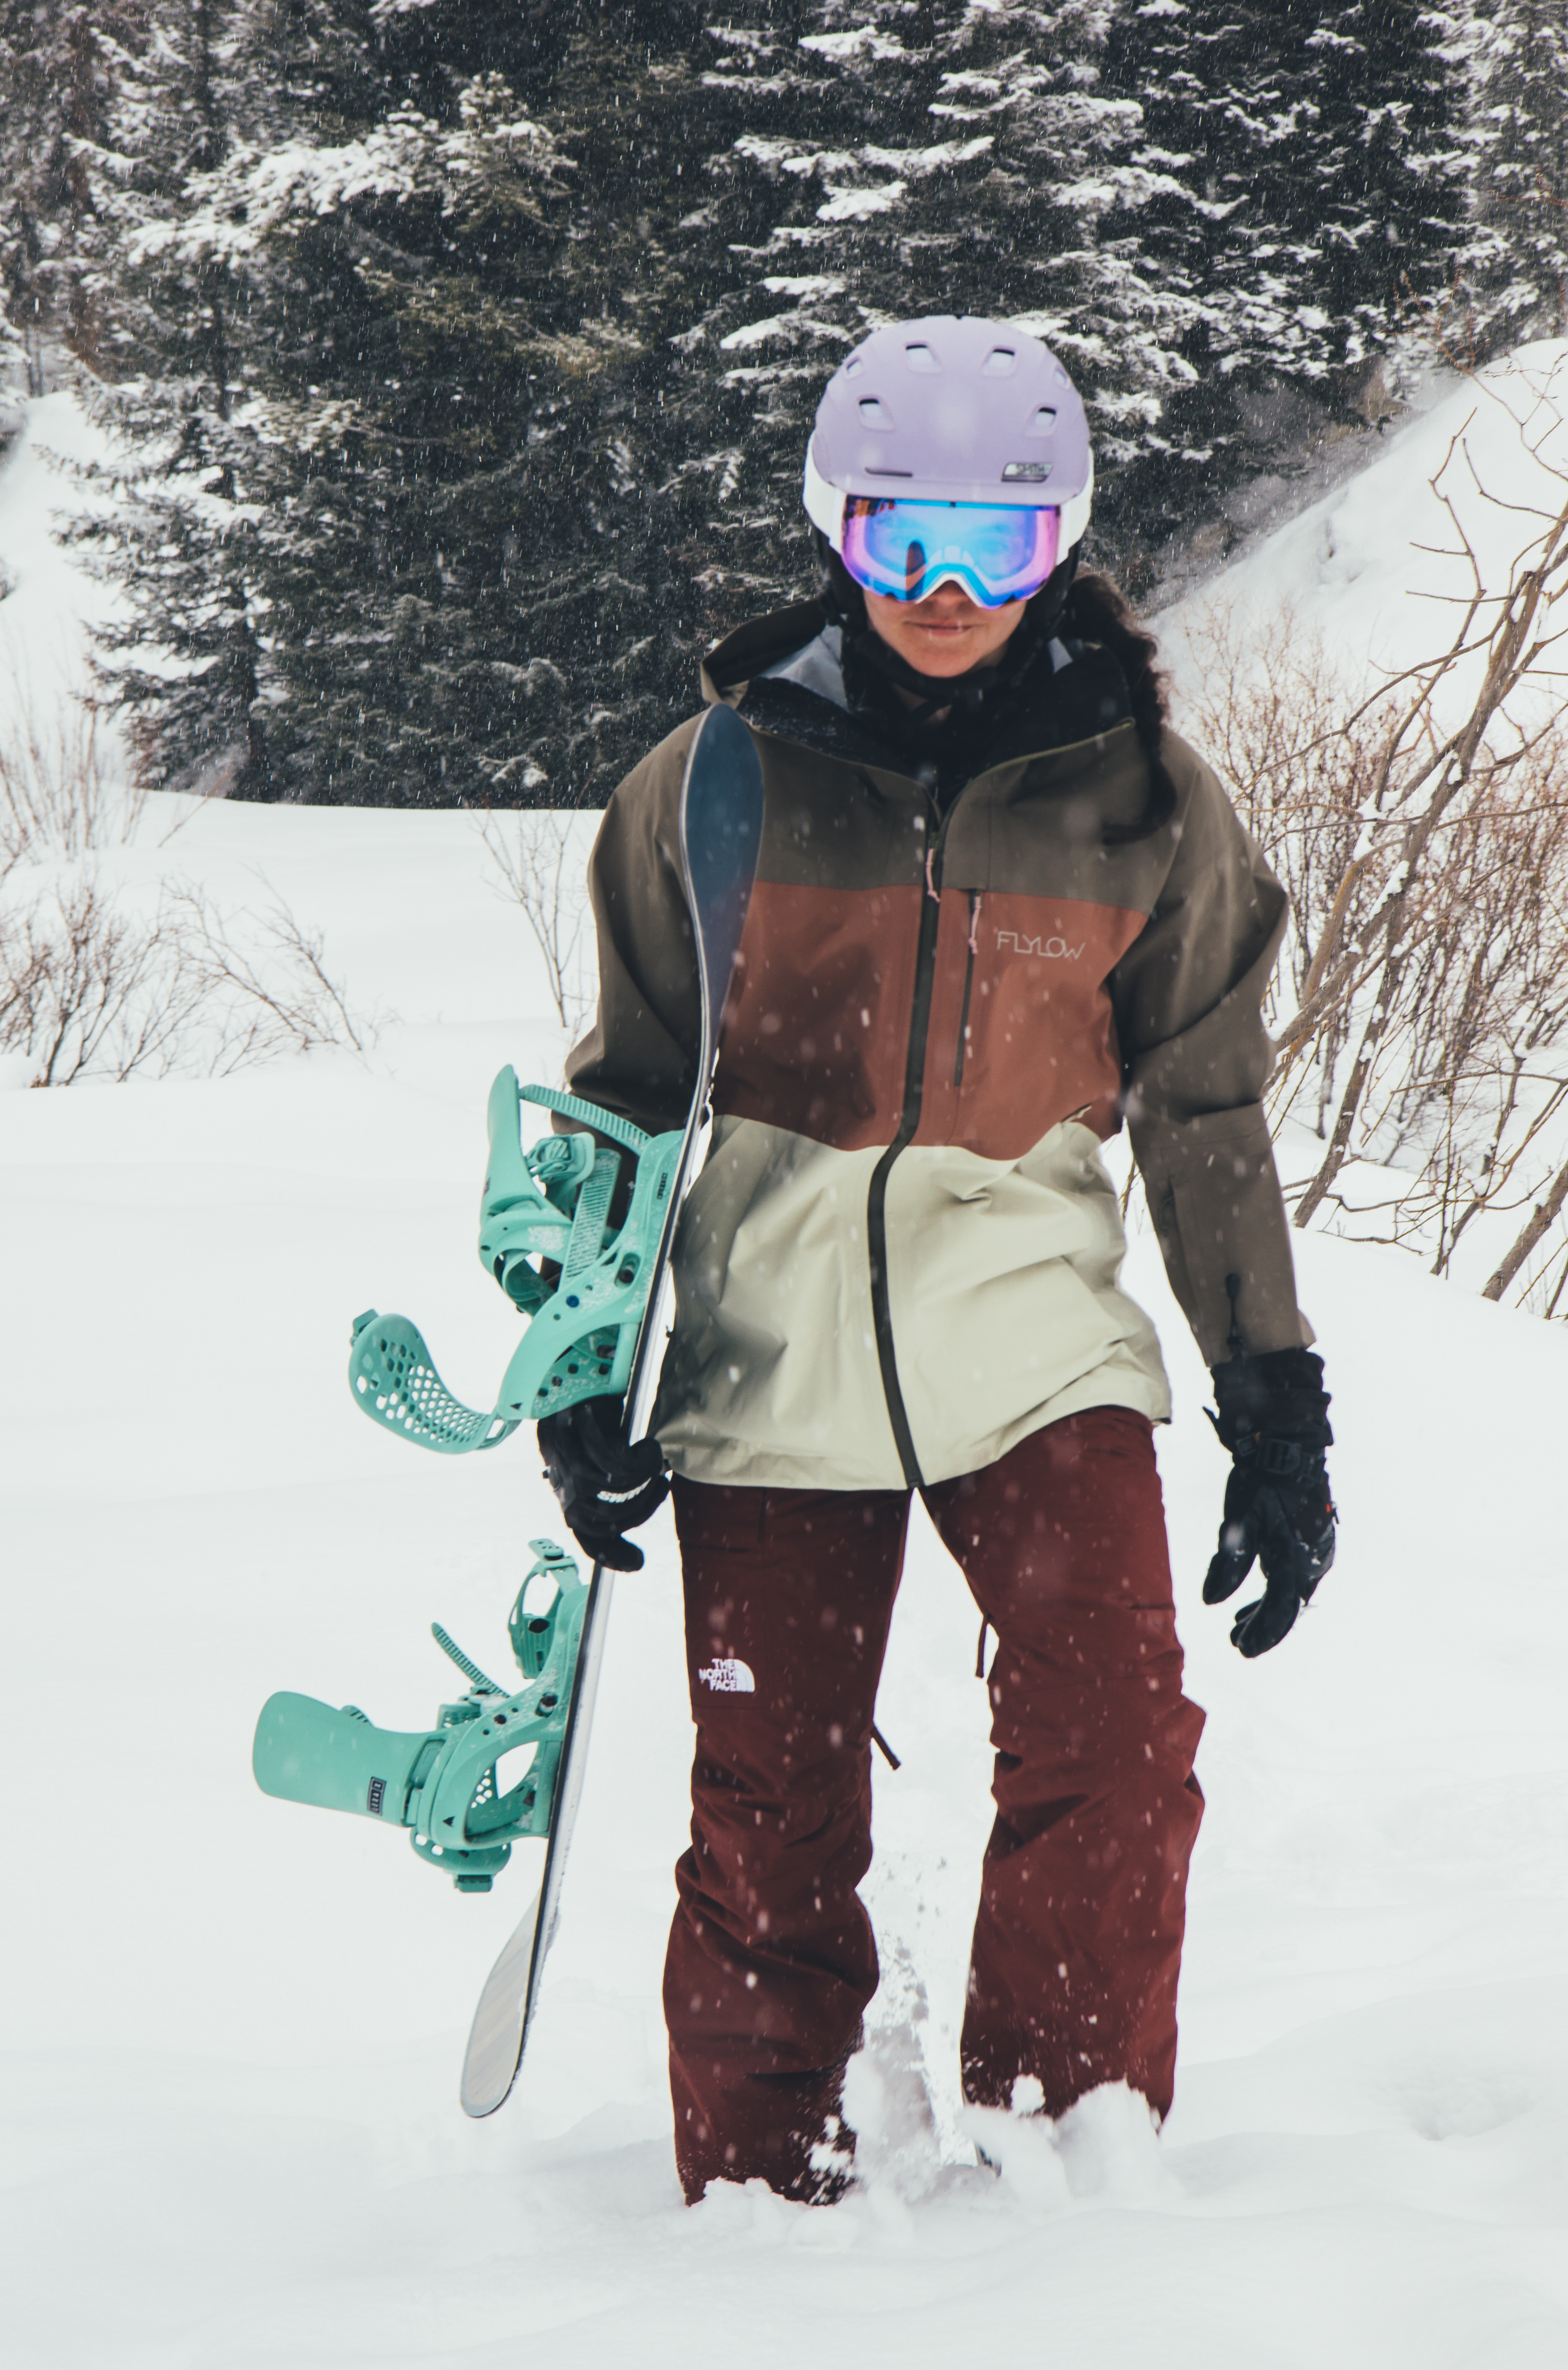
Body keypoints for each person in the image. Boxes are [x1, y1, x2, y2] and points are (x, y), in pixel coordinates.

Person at [538, 316, 1337, 2206]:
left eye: (1002, 545)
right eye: (908, 544)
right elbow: (628, 1101)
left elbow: (1206, 1118)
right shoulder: (710, 785)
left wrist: (1276, 1402)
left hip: (1034, 1345)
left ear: (1064, 545)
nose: (952, 594)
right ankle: (755, 2201)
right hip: (764, 1352)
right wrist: (581, 1361)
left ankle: (1067, 2162)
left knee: (1118, 1750)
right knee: (770, 1819)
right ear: (838, 527)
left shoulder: (1148, 801)